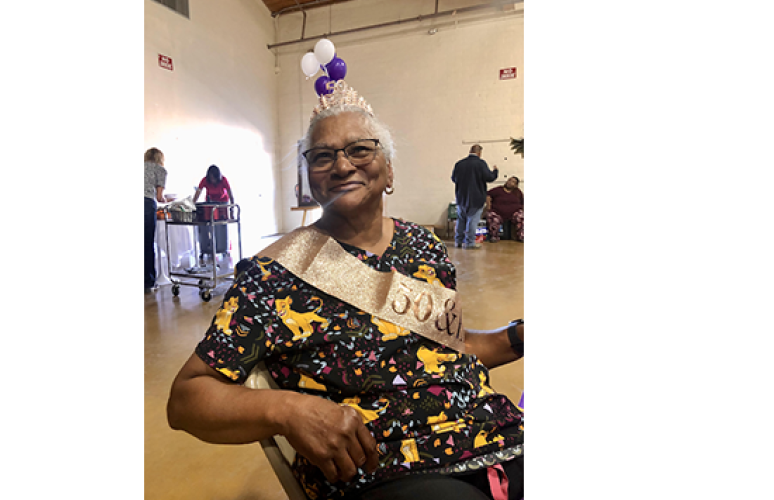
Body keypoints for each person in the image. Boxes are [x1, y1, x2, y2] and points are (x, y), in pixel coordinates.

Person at [167, 82, 525, 500]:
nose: (341, 166)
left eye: (359, 149)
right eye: (323, 156)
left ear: (389, 170)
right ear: (309, 177)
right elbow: (186, 399)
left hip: (494, 436)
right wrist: (286, 410)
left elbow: (447, 348)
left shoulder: (424, 247)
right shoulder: (272, 274)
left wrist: (515, 336)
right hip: (387, 469)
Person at [452, 146, 499, 250]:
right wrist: (495, 171)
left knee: (461, 220)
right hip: (476, 198)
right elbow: (489, 178)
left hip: (461, 197)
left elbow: (454, 178)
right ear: (479, 153)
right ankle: (470, 243)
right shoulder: (480, 164)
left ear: (470, 151)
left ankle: (458, 242)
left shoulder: (459, 164)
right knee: (472, 221)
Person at [193, 165, 235, 259]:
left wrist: (232, 209)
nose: (212, 180)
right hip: (210, 203)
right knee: (208, 225)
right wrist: (192, 204)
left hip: (222, 203)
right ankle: (208, 248)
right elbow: (198, 192)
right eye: (210, 178)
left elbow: (231, 195)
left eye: (214, 178)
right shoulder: (204, 180)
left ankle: (223, 248)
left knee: (221, 225)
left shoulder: (224, 180)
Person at [144, 148, 168, 293]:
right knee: (147, 244)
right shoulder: (160, 170)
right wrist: (167, 200)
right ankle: (148, 282)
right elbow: (159, 197)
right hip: (146, 204)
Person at [486, 177, 525, 243]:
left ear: (516, 185)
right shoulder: (498, 189)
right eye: (509, 180)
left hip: (514, 213)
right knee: (492, 217)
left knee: (521, 217)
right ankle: (494, 237)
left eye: (513, 182)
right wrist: (488, 206)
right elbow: (488, 195)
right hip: (497, 212)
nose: (510, 182)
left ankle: (521, 237)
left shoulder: (517, 192)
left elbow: (522, 202)